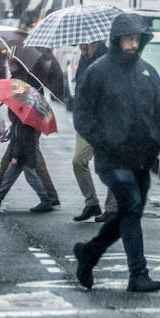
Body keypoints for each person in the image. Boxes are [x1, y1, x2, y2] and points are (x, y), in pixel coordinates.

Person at [72, 13, 160, 293]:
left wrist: (157, 141)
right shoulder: (98, 72)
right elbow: (82, 114)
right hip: (113, 160)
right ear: (116, 40)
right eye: (128, 38)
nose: (133, 44)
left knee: (128, 211)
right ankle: (138, 273)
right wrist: (104, 140)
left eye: (137, 39)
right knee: (132, 206)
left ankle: (88, 253)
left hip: (142, 158)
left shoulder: (148, 71)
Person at [0, 52, 55, 213]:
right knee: (19, 168)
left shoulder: (20, 84)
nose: (9, 66)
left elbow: (22, 122)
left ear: (16, 65)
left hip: (23, 132)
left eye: (11, 64)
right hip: (22, 130)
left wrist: (16, 154)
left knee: (25, 167)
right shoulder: (23, 79)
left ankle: (47, 198)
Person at [70, 40, 118, 223]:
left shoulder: (109, 59)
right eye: (80, 43)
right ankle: (92, 203)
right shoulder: (83, 60)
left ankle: (112, 208)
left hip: (106, 122)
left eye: (85, 43)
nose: (81, 46)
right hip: (86, 122)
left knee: (110, 165)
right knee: (78, 161)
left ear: (96, 41)